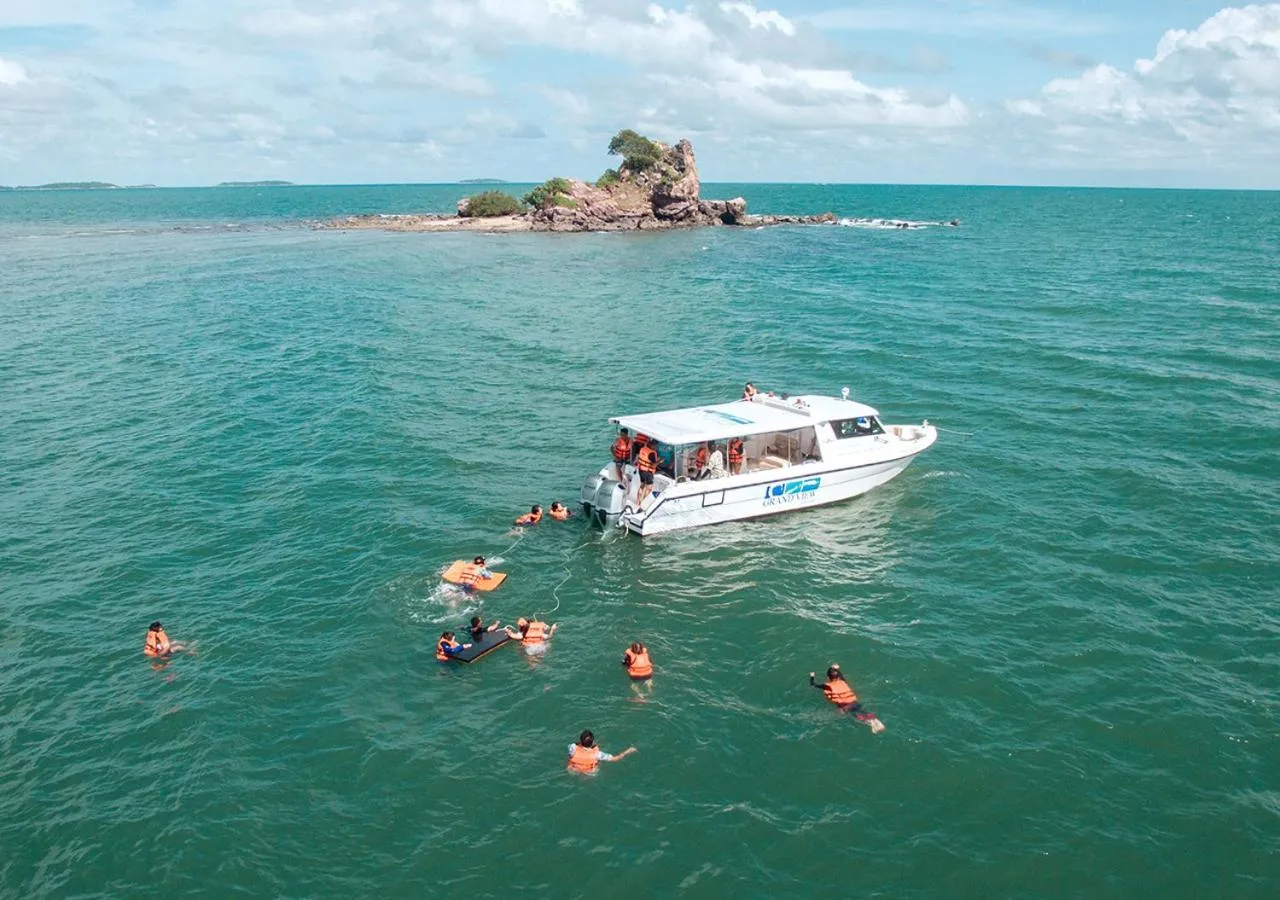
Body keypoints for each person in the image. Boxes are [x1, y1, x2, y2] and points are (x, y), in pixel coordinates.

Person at [810, 665, 885, 733]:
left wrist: (812, 676)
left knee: (856, 716)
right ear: (837, 676)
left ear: (828, 677)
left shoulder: (827, 686)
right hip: (854, 702)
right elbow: (840, 674)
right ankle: (876, 721)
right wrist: (836, 669)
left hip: (846, 706)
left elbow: (813, 684)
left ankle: (871, 724)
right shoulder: (842, 680)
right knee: (863, 711)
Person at [567, 729, 636, 774]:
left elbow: (575, 746)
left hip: (573, 769)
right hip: (589, 772)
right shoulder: (597, 754)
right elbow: (615, 759)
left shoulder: (572, 747)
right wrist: (628, 751)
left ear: (580, 741)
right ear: (592, 742)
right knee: (595, 768)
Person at [635, 440, 659, 507]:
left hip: (641, 470)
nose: (656, 447)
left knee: (642, 485)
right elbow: (653, 465)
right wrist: (659, 461)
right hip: (648, 472)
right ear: (652, 445)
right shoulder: (652, 453)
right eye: (655, 446)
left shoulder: (642, 449)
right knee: (649, 487)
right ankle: (644, 503)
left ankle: (638, 502)